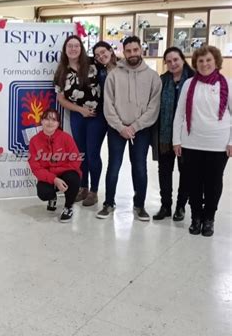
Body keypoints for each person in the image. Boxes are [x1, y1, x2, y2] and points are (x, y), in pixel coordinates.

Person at [97, 35, 162, 221]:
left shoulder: (152, 77)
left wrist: (134, 126)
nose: (132, 54)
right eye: (128, 50)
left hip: (141, 130)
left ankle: (139, 205)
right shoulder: (114, 75)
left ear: (141, 49)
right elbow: (108, 106)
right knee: (114, 167)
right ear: (123, 52)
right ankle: (109, 203)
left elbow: (153, 108)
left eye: (135, 50)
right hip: (117, 130)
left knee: (140, 167)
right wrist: (120, 127)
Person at [173, 45, 231, 237]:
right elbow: (179, 114)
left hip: (218, 143)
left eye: (208, 60)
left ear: (216, 62)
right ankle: (196, 216)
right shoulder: (189, 84)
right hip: (191, 142)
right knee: (193, 182)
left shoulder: (227, 84)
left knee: (214, 182)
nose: (205, 64)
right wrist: (176, 140)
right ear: (196, 64)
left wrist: (231, 142)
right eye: (200, 61)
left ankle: (209, 218)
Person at [54, 35, 103, 207]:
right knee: (80, 155)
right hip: (77, 116)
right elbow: (61, 99)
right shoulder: (61, 72)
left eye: (76, 46)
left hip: (97, 117)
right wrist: (81, 110)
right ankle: (83, 188)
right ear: (65, 50)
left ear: (81, 48)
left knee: (93, 154)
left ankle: (94, 191)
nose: (73, 49)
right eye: (70, 46)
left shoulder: (92, 64)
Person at [153, 47, 194, 222]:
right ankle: (165, 206)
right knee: (164, 171)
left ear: (183, 59)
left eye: (175, 59)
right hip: (165, 136)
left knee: (185, 172)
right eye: (168, 61)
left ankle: (180, 206)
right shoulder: (162, 81)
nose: (172, 64)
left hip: (187, 137)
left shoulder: (193, 80)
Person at [28, 108, 82, 223]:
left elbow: (76, 161)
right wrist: (54, 179)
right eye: (47, 119)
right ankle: (52, 197)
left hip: (65, 174)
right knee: (43, 192)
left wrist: (57, 172)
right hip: (49, 176)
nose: (50, 122)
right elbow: (36, 168)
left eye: (54, 120)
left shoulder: (66, 138)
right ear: (41, 121)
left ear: (58, 123)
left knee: (73, 178)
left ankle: (68, 207)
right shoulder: (34, 141)